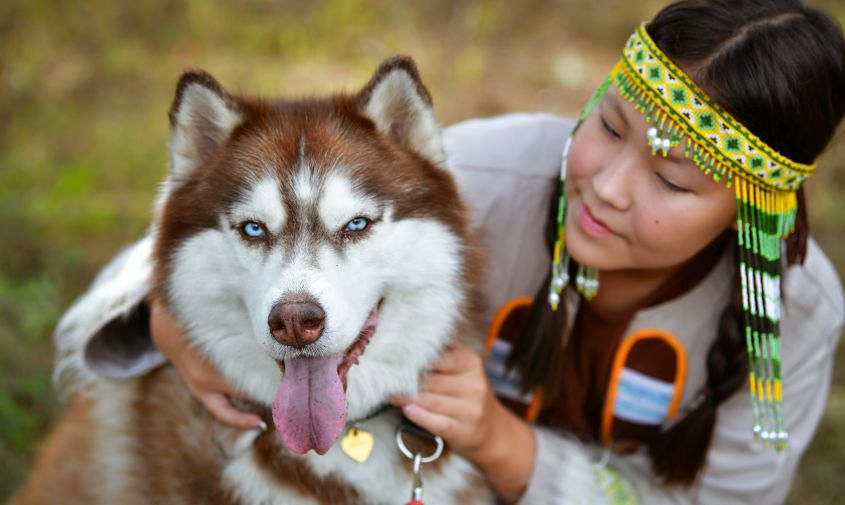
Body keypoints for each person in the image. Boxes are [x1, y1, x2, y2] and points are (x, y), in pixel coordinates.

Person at [51, 0, 845, 503]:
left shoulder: (795, 314)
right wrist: (167, 324)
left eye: (670, 179)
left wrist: (504, 445)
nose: (607, 188)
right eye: (606, 128)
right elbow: (215, 224)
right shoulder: (492, 176)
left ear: (752, 213)